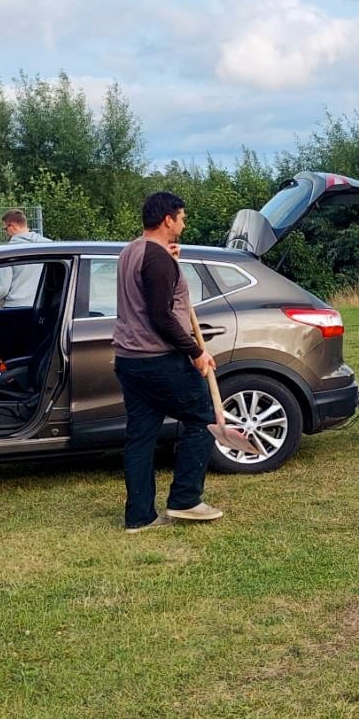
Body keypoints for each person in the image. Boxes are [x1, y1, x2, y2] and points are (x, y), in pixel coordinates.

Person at [113, 191, 225, 530]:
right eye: (182, 218)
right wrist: (196, 351)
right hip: (157, 360)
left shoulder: (132, 251)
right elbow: (161, 317)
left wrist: (169, 259)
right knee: (204, 419)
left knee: (141, 437)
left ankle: (140, 517)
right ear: (168, 220)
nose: (184, 225)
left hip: (128, 360)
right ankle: (186, 500)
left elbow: (152, 283)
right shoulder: (157, 260)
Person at [0, 208, 51, 309]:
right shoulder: (49, 246)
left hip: (16, 307)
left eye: (5, 229)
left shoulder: (7, 252)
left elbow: (1, 290)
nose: (6, 233)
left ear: (13, 226)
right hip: (43, 306)